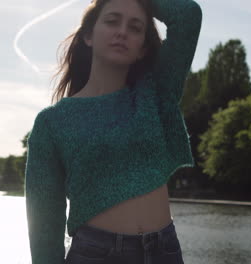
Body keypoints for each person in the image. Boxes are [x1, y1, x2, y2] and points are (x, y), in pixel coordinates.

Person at [24, 0, 202, 263]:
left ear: (143, 48)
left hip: (164, 252)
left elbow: (188, 15)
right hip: (97, 255)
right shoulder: (52, 123)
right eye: (111, 21)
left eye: (135, 27)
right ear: (88, 35)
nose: (122, 32)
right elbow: (44, 227)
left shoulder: (155, 93)